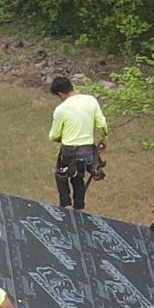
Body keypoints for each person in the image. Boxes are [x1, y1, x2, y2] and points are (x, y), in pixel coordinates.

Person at [48, 74, 109, 210]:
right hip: (88, 150)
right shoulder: (91, 101)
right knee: (78, 177)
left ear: (60, 93)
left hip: (69, 150)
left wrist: (61, 137)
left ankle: (66, 204)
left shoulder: (61, 109)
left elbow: (53, 135)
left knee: (60, 174)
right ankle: (79, 207)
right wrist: (103, 138)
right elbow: (102, 124)